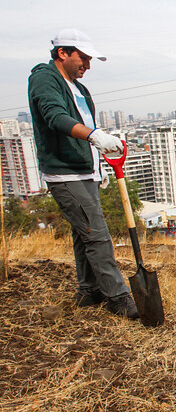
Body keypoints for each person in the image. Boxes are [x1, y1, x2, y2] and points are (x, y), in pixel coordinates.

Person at [28, 29, 139, 319]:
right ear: (62, 53)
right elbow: (56, 118)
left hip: (84, 171)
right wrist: (95, 137)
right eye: (84, 58)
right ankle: (118, 297)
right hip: (65, 173)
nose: (87, 66)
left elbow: (85, 125)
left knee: (84, 232)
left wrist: (97, 165)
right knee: (98, 235)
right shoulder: (44, 79)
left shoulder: (78, 87)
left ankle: (89, 291)